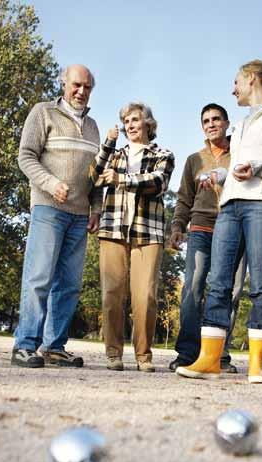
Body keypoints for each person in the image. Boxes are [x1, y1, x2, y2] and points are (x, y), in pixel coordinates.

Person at [177, 59, 262, 383]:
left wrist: (261, 167)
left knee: (261, 285)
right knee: (219, 283)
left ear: (251, 79)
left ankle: (257, 364)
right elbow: (239, 165)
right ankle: (209, 359)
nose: (232, 88)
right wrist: (220, 174)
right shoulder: (242, 126)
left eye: (236, 81)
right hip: (230, 206)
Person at [12, 64, 101, 368]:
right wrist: (51, 184)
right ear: (64, 83)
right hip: (49, 209)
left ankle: (53, 346)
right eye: (76, 85)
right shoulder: (43, 112)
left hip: (79, 215)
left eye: (87, 87)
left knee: (69, 285)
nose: (81, 91)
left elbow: (95, 175)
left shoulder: (93, 126)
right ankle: (24, 345)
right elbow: (25, 155)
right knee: (39, 278)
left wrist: (96, 209)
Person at [89, 102, 175, 372]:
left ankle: (143, 356)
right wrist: (107, 143)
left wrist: (121, 179)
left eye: (135, 119)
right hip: (113, 229)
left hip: (148, 232)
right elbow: (93, 176)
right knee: (111, 294)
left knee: (145, 296)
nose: (131, 125)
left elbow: (158, 183)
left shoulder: (163, 153)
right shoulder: (116, 154)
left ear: (147, 122)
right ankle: (113, 354)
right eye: (126, 122)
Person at [169, 103, 247, 373]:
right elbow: (183, 198)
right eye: (206, 121)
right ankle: (187, 353)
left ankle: (220, 354)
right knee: (192, 288)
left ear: (226, 123)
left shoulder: (239, 153)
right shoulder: (194, 160)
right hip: (201, 228)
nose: (211, 124)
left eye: (216, 119)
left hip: (235, 227)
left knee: (231, 291)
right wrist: (178, 225)